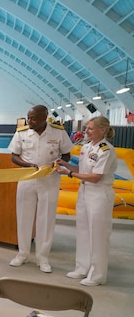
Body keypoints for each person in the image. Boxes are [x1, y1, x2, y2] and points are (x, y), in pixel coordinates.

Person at [7, 105, 73, 273]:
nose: (30, 121)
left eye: (34, 118)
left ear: (45, 117)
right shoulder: (22, 133)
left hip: (49, 180)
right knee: (23, 217)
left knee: (47, 218)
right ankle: (22, 254)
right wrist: (27, 165)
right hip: (27, 179)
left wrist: (58, 162)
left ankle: (43, 258)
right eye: (29, 117)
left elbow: (67, 154)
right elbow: (14, 156)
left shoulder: (58, 132)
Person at [56, 116, 117, 286]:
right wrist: (65, 166)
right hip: (84, 191)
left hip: (99, 194)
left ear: (102, 130)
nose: (86, 131)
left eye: (90, 128)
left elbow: (96, 177)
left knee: (98, 235)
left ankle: (97, 275)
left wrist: (68, 174)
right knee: (83, 231)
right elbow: (81, 170)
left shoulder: (106, 150)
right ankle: (82, 267)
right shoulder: (87, 147)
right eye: (87, 128)